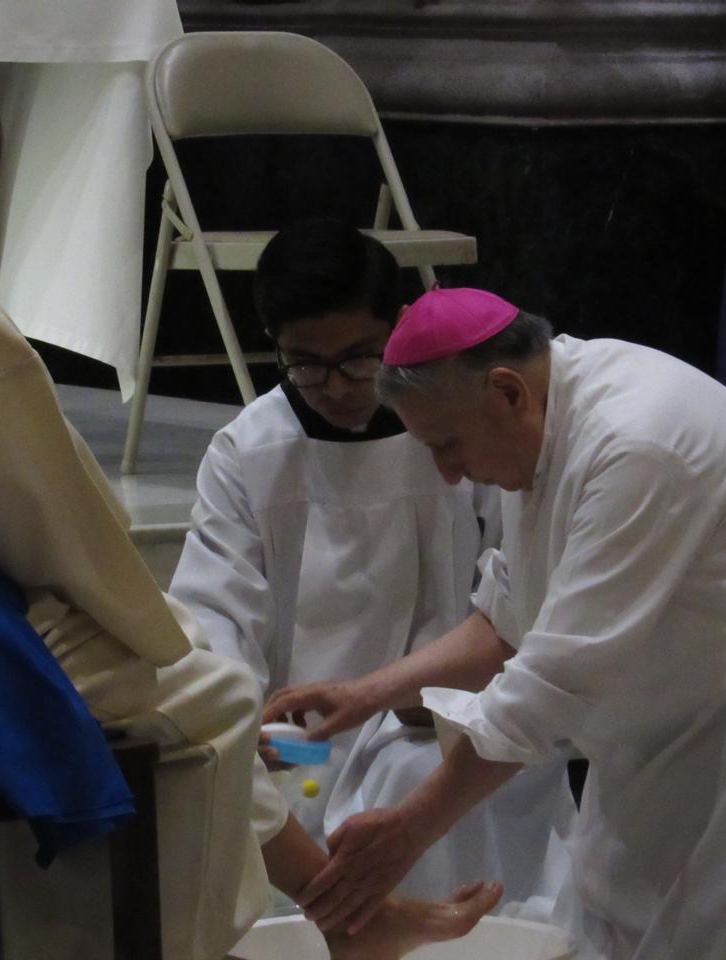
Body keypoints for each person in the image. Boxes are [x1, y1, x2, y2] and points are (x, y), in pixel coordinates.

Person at [0, 46, 501, 960]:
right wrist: (160, 637)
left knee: (179, 692)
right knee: (207, 696)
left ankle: (325, 912)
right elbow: (62, 532)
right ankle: (315, 920)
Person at [265, 287, 726, 960]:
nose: (447, 474)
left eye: (446, 444)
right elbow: (509, 621)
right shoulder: (542, 422)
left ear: (506, 392)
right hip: (663, 738)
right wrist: (365, 695)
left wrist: (411, 830)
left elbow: (551, 678)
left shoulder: (638, 440)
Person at [168, 219, 576, 908]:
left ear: (397, 328)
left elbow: (515, 600)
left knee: (460, 766)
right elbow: (215, 619)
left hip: (443, 716)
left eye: (360, 359)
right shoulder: (249, 455)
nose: (335, 386)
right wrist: (241, 727)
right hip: (304, 744)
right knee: (269, 777)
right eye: (306, 364)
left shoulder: (459, 429)